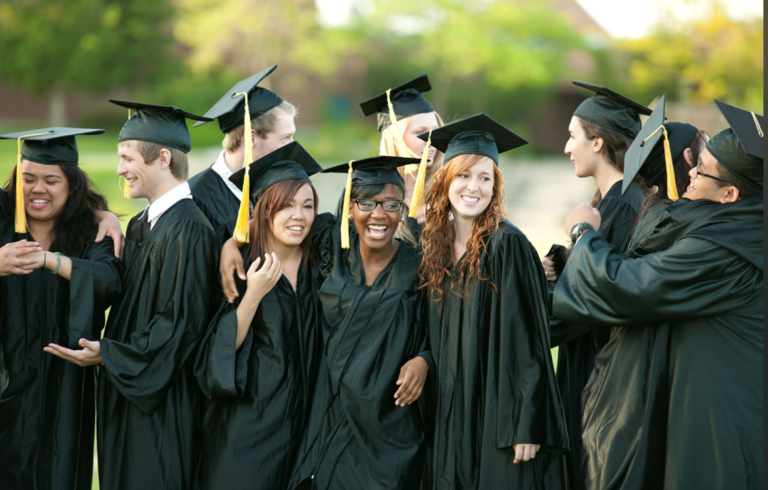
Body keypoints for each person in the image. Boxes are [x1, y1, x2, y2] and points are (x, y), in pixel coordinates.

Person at [554, 100, 763, 490]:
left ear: (731, 193)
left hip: (724, 421)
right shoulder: (742, 226)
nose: (691, 175)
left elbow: (630, 286)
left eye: (702, 170)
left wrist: (583, 235)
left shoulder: (724, 248)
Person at [45, 100, 221, 490]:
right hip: (131, 397)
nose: (121, 169)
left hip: (162, 409)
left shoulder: (188, 230)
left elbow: (179, 326)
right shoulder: (144, 223)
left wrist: (108, 353)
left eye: (127, 158)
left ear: (162, 158)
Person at [418, 113, 568, 489]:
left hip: (498, 415)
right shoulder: (435, 247)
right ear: (446, 181)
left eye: (485, 178)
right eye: (464, 175)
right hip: (450, 415)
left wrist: (526, 422)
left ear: (496, 187)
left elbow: (528, 338)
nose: (474, 187)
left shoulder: (507, 244)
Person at [280, 155, 429, 490]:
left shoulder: (419, 267)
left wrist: (425, 360)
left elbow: (442, 331)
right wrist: (233, 243)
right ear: (349, 208)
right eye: (366, 203)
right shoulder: (329, 245)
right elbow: (276, 221)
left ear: (402, 210)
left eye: (391, 204)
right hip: (327, 414)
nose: (378, 214)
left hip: (387, 429)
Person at [541, 81, 652, 490]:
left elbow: (599, 292)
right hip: (593, 358)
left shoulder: (623, 203)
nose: (567, 148)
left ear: (599, 142)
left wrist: (527, 319)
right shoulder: (609, 201)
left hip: (602, 365)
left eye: (573, 137)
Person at [194, 142, 324, 490]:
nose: (299, 216)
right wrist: (253, 292)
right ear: (262, 211)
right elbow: (219, 351)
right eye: (286, 206)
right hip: (249, 426)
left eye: (307, 205)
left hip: (309, 427)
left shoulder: (323, 261)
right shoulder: (240, 267)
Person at [0, 128, 123, 490]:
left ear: (72, 185)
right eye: (28, 179)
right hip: (6, 377)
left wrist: (52, 261)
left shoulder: (90, 231)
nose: (38, 189)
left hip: (64, 388)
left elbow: (110, 280)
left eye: (51, 180)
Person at [189, 64, 297, 243]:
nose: (293, 146)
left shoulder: (278, 185)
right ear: (251, 138)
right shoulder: (195, 201)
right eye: (285, 138)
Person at [358, 74, 445, 246]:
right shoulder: (364, 193)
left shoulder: (447, 191)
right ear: (395, 138)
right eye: (420, 132)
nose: (430, 140)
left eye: (435, 131)